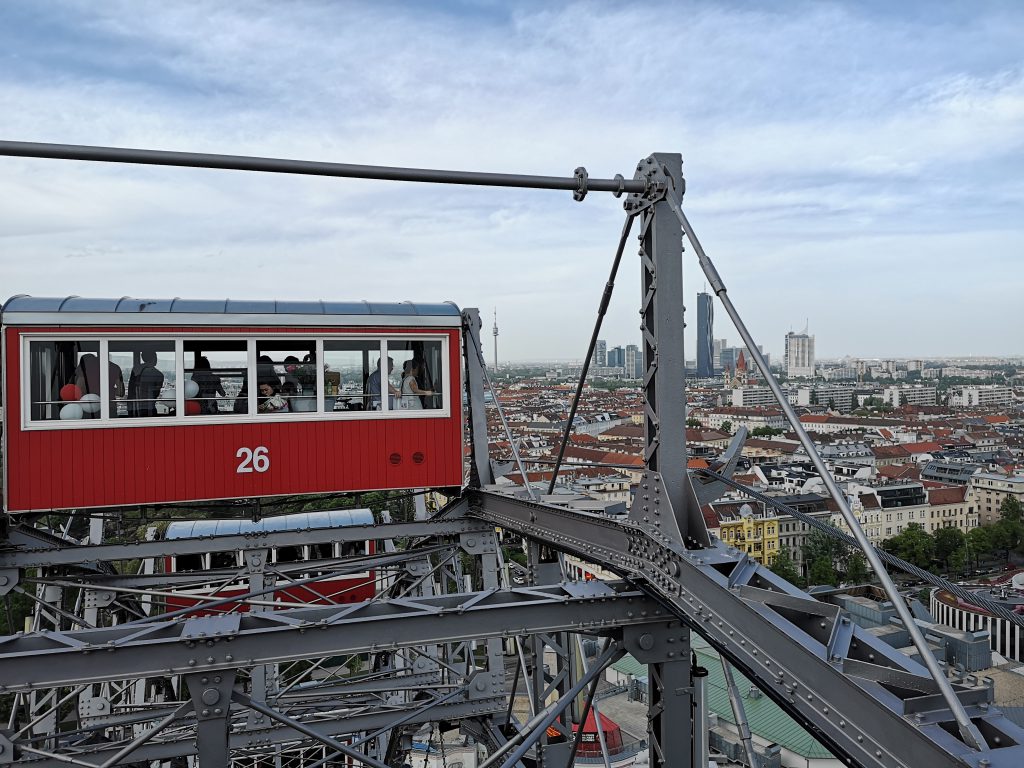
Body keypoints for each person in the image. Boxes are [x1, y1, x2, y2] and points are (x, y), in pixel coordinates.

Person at [127, 349, 164, 417]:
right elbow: (156, 394)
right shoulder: (158, 374)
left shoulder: (135, 370)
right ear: (154, 358)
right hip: (149, 407)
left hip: (134, 408)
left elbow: (130, 391)